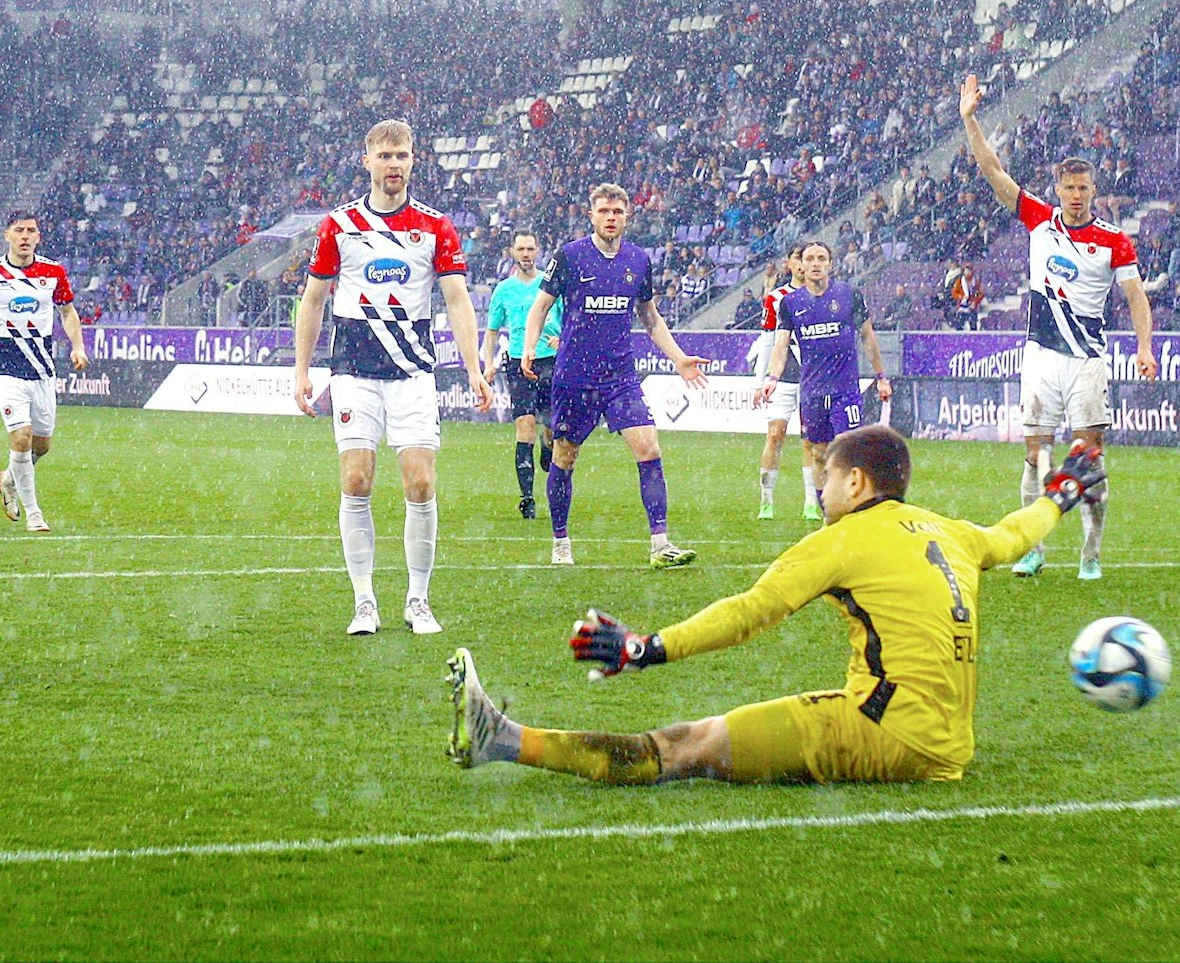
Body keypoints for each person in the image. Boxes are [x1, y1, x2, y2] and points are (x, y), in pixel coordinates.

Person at [446, 428, 1108, 785]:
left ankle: (504, 739)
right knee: (714, 739)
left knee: (685, 746)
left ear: (855, 481)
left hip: (886, 733)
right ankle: (502, 736)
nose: (821, 491)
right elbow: (1016, 534)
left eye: (826, 479)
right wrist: (1062, 493)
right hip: (948, 741)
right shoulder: (951, 532)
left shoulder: (841, 539)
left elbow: (749, 611)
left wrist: (646, 646)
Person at [292, 120, 492, 636]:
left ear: (413, 160)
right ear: (367, 161)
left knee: (421, 484)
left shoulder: (435, 226)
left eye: (401, 155)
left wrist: (474, 369)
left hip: (413, 374)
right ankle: (364, 601)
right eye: (385, 156)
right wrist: (302, 371)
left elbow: (456, 300)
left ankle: (417, 599)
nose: (394, 164)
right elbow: (314, 300)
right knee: (356, 480)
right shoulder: (338, 225)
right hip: (354, 371)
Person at [961, 74, 1157, 581]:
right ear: (1058, 190)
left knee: (1088, 460)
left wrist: (1144, 347)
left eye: (1083, 188)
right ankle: (1035, 548)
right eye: (1068, 188)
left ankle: (1090, 551)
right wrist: (970, 118)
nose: (1075, 195)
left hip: (1087, 361)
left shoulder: (1114, 240)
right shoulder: (1039, 221)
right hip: (1041, 358)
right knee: (1035, 456)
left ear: (1094, 190)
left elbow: (1135, 296)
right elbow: (992, 171)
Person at [520, 183, 710, 569]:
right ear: (591, 215)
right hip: (575, 375)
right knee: (565, 456)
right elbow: (541, 307)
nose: (611, 218)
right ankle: (561, 543)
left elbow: (651, 318)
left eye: (618, 212)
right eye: (604, 211)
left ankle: (660, 545)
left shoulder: (638, 260)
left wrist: (678, 358)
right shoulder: (570, 256)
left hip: (621, 375)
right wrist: (529, 345)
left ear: (627, 216)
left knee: (649, 448)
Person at [0, 211, 89, 534]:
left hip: (42, 369)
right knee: (21, 436)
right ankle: (34, 513)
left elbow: (67, 311)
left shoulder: (53, 272)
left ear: (38, 237)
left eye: (31, 231)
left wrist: (78, 346)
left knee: (42, 445)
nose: (25, 236)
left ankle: (9, 478)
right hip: (6, 368)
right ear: (7, 235)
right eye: (19, 230)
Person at [754, 241, 893, 515]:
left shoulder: (849, 295)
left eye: (821, 258)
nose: (815, 263)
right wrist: (772, 378)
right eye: (810, 259)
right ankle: (828, 513)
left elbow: (868, 337)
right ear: (801, 266)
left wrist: (881, 377)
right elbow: (781, 346)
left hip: (845, 390)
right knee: (818, 453)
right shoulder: (790, 304)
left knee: (848, 451)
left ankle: (855, 510)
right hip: (812, 391)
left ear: (830, 264)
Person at [480, 230, 563, 520]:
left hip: (551, 362)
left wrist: (562, 338)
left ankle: (547, 445)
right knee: (524, 427)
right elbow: (492, 331)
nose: (526, 254)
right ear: (513, 252)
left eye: (530, 248)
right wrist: (488, 363)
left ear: (538, 251)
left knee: (553, 428)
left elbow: (569, 321)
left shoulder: (550, 285)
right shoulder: (503, 290)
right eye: (521, 249)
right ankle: (527, 497)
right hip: (518, 363)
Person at [746, 243, 811, 520]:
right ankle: (767, 501)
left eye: (807, 259)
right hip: (783, 378)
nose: (803, 264)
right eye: (798, 258)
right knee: (775, 435)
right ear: (790, 263)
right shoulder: (776, 298)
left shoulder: (823, 296)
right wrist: (759, 381)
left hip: (812, 379)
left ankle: (811, 504)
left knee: (811, 441)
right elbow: (768, 341)